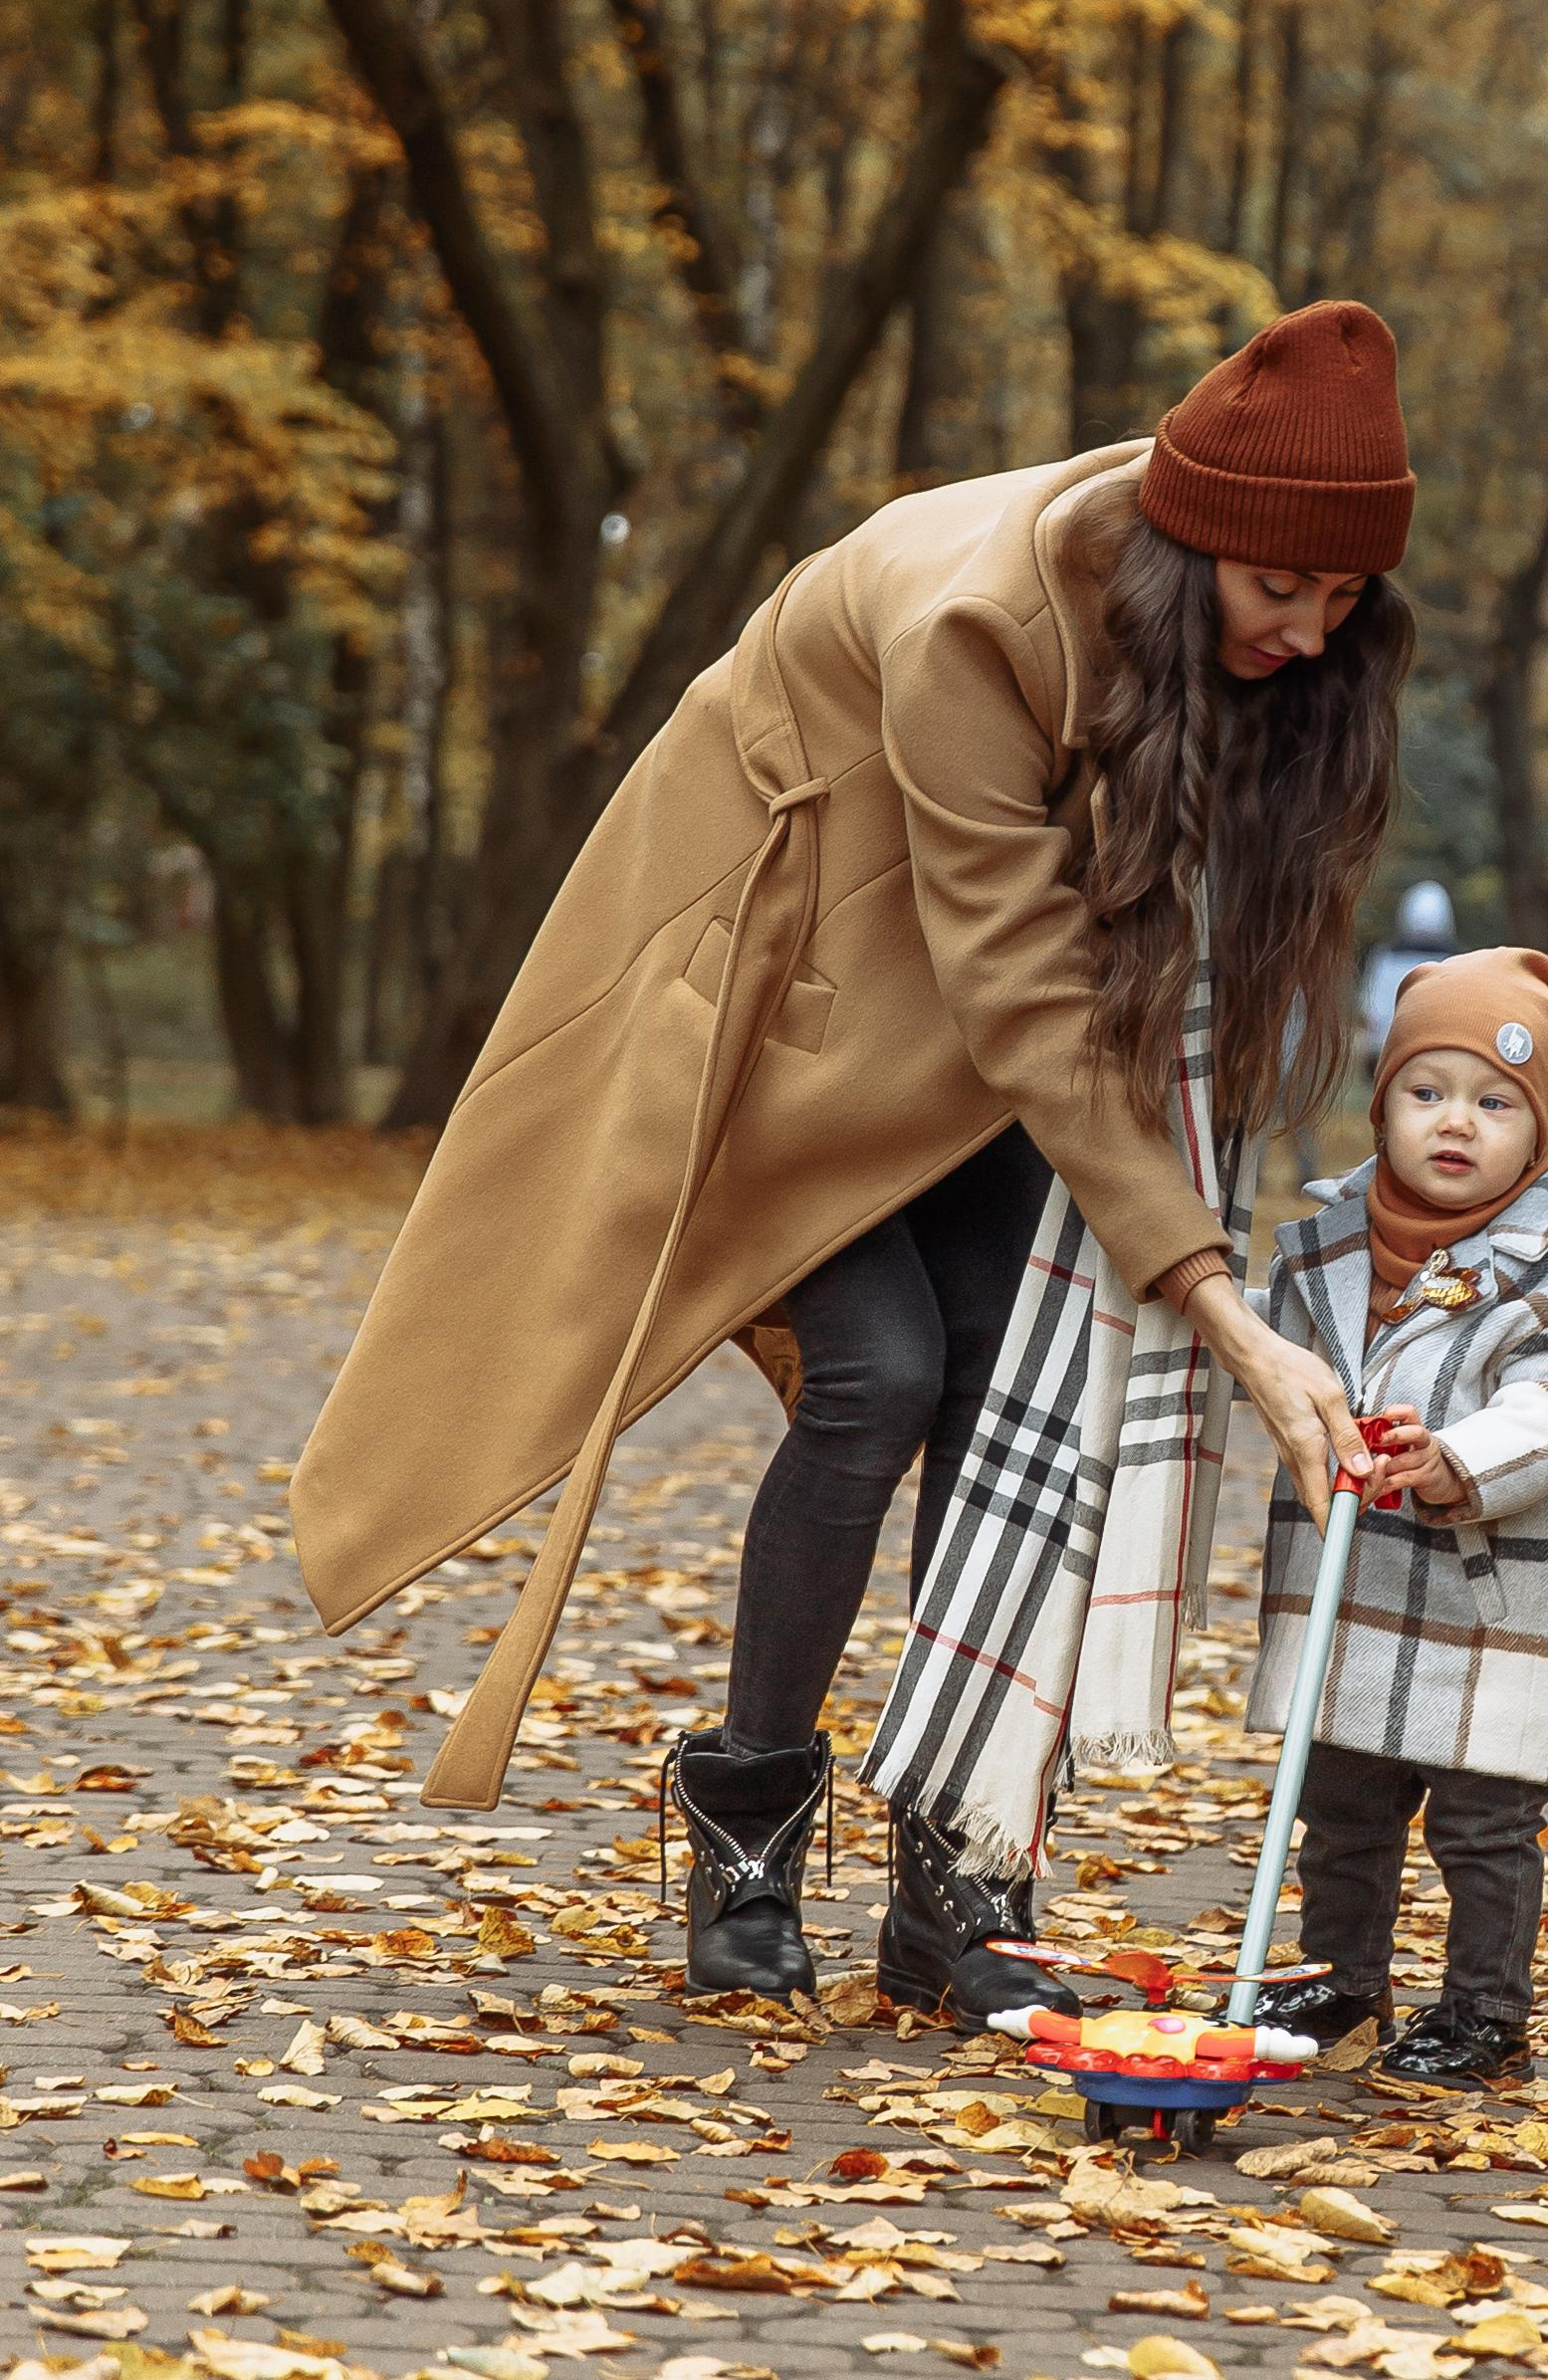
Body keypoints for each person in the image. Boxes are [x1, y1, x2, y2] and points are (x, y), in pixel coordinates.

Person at [290, 301, 1418, 2023]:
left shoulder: (1201, 591)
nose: (1307, 629)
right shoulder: (977, 611)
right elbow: (1016, 972)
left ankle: (954, 1867)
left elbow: (1047, 973)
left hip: (957, 1040)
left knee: (1002, 1386)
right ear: (1198, 543)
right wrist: (1224, 1317)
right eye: (1284, 592)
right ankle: (746, 1819)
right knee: (876, 1373)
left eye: (1343, 603)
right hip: (782, 1007)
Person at [1246, 947, 1548, 2092]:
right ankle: (1338, 1977)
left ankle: (1480, 2009)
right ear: (1382, 1100)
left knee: (1480, 1822)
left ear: (1539, 1126)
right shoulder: (1318, 1245)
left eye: (1493, 1101)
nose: (1454, 1123)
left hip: (1485, 1593)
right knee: (1342, 1808)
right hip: (1350, 1585)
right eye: (1426, 1092)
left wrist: (1451, 1456)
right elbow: (1267, 1362)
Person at [1355, 877, 1459, 1068]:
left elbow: (1372, 1007)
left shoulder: (1388, 959)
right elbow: (1374, 1009)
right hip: (1393, 1048)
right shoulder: (1388, 959)